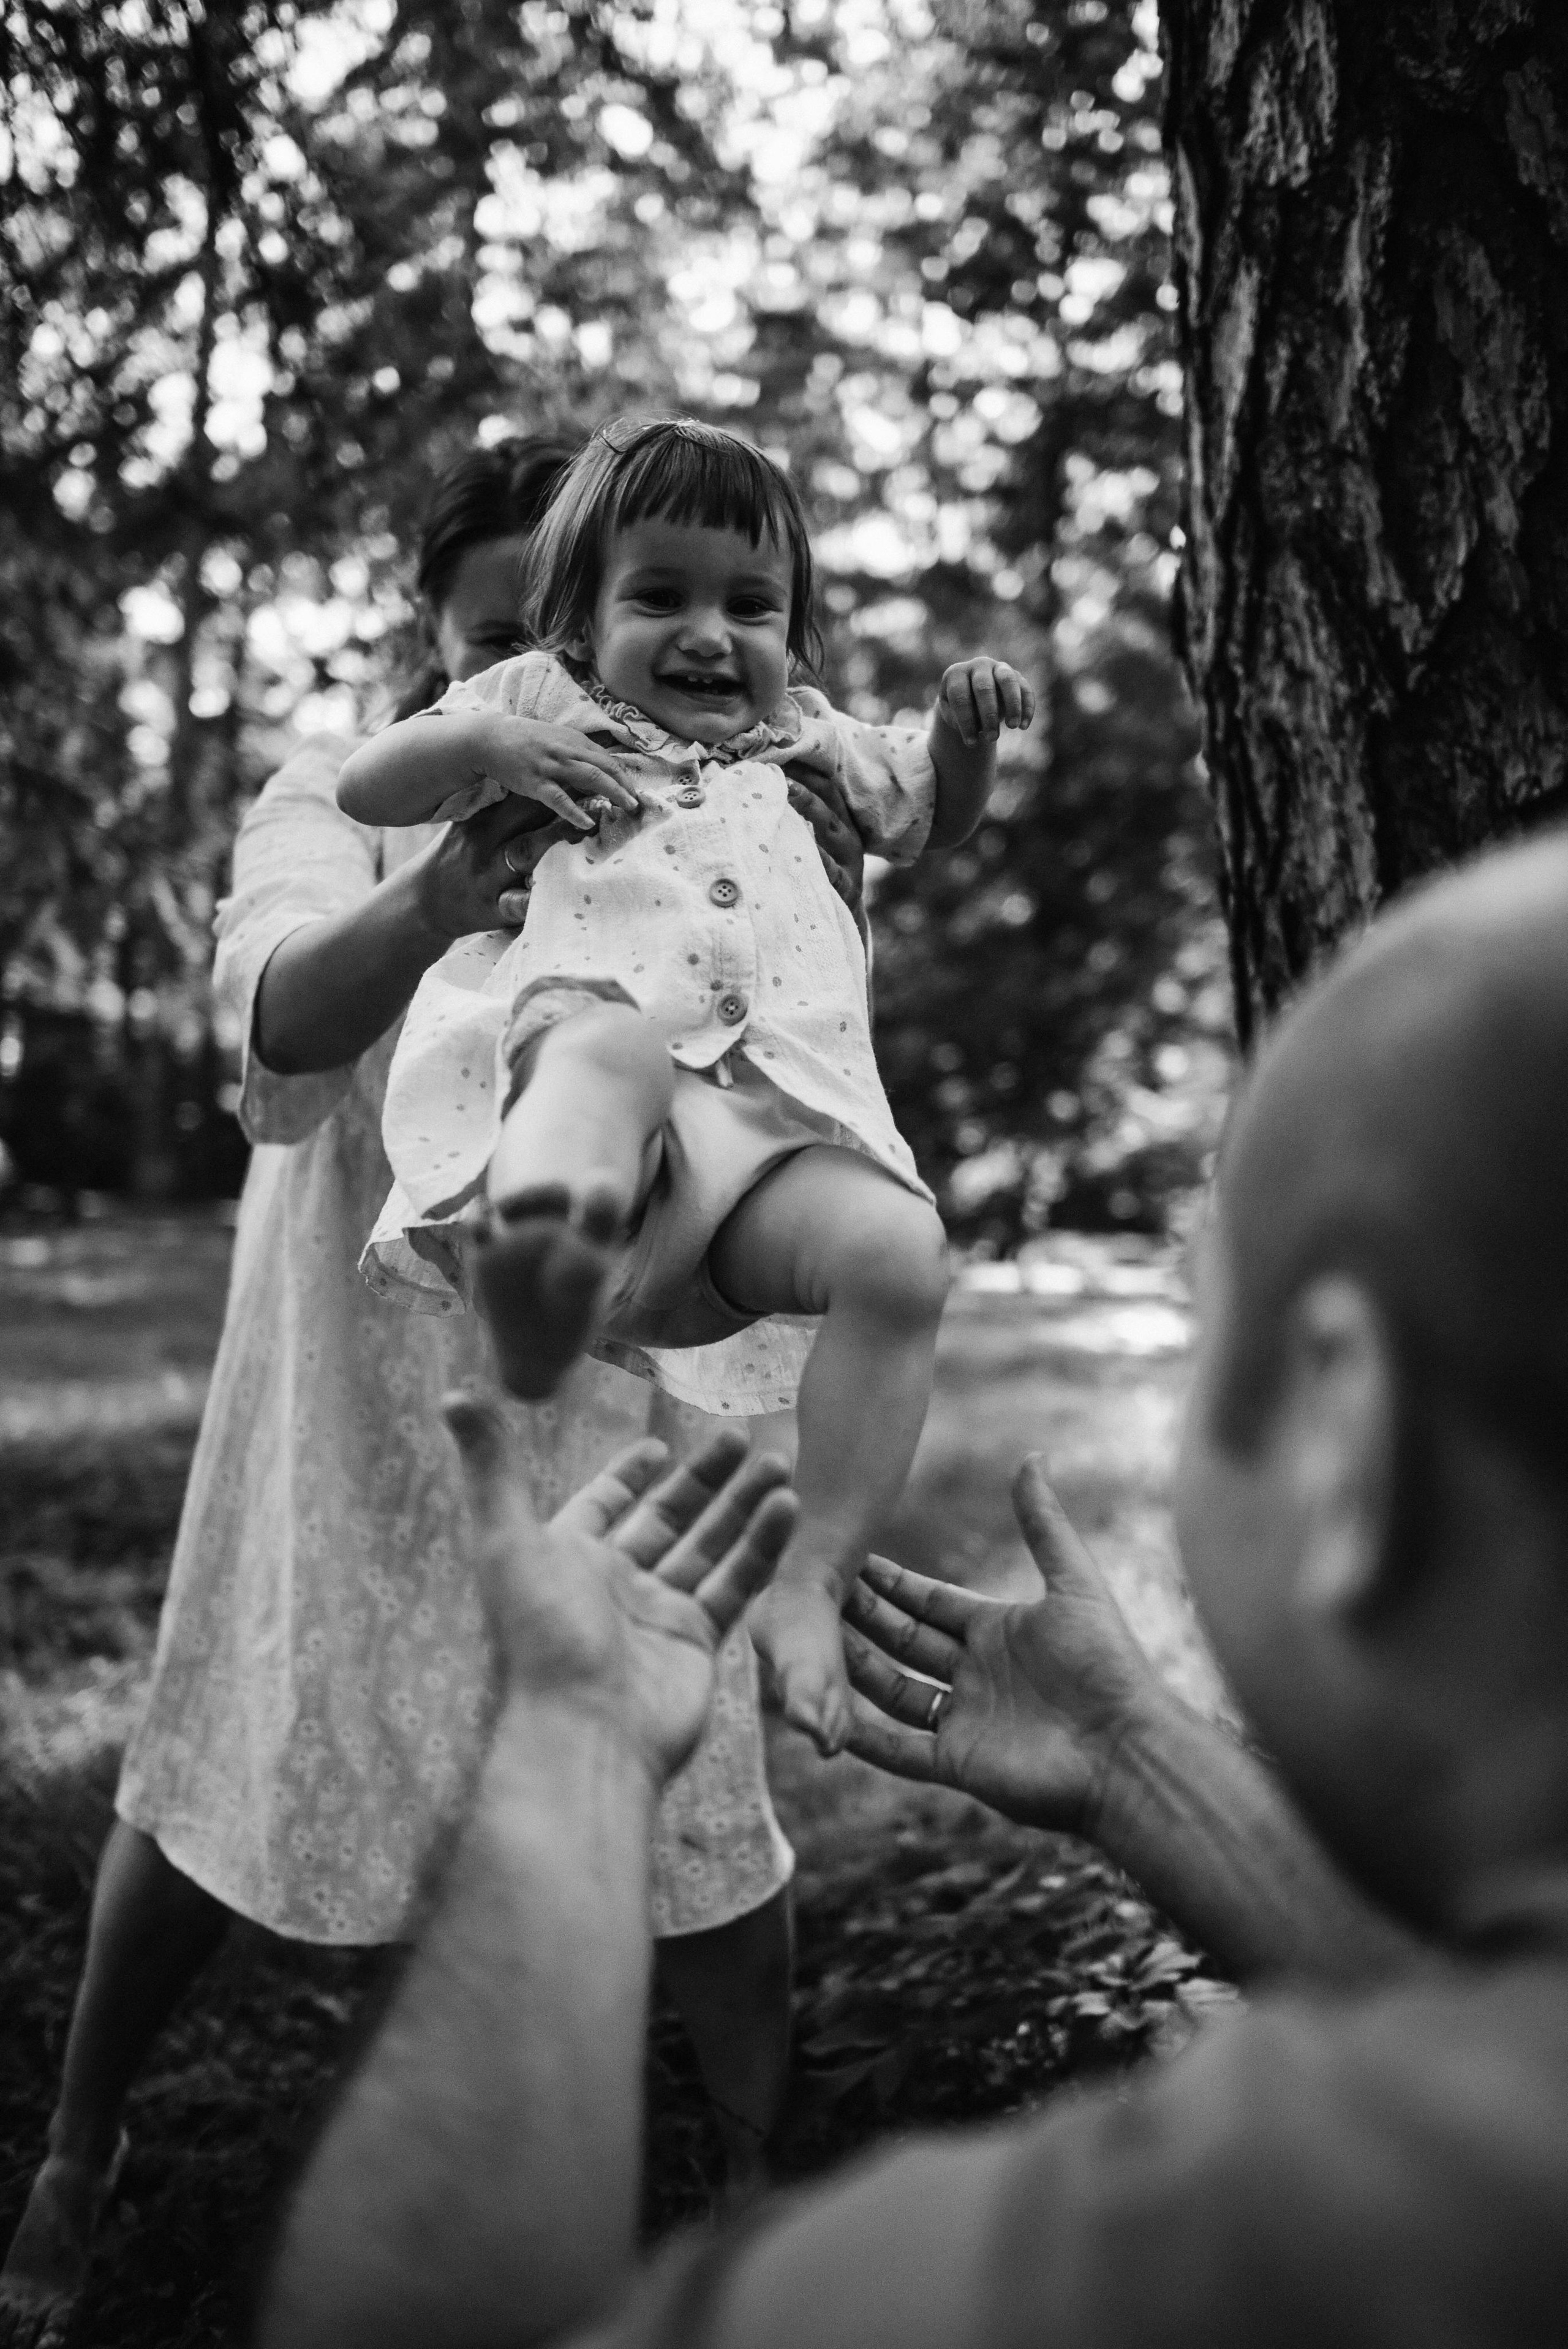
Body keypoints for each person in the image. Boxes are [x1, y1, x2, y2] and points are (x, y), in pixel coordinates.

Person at [263, 831, 1568, 2348]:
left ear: (1351, 1444)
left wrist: (571, 1742)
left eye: (1205, 1319)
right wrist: (1140, 1761)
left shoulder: (1251, 2240)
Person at [0, 436, 871, 2329]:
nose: (535, 681)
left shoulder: (697, 754)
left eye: (546, 639)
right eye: (495, 646)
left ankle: (746, 2165)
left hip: (612, 1336)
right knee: (252, 1734)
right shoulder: (351, 788)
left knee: (696, 1772)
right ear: (454, 641)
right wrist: (446, 892)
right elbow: (276, 1020)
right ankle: (81, 2136)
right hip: (358, 1344)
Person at [336, 415, 1035, 1757]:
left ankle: (809, 1586)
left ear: (794, 631)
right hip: (603, 1120)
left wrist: (963, 742)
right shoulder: (546, 702)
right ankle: (543, 1245)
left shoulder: (810, 735)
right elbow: (376, 779)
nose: (710, 634)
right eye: (659, 596)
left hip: (763, 1150)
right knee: (607, 1045)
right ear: (581, 626)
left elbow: (926, 816)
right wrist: (484, 751)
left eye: (749, 605)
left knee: (901, 1253)